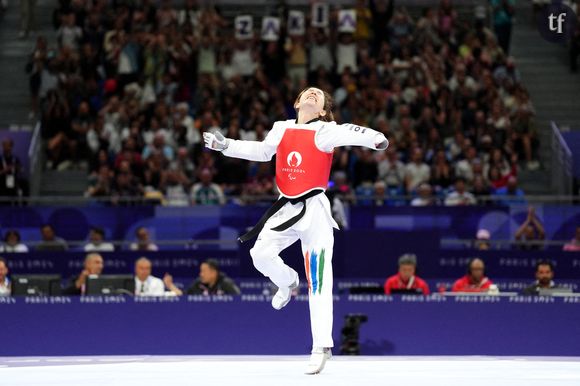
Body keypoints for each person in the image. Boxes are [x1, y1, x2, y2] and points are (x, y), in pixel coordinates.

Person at [203, 86, 388, 374]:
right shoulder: (281, 128)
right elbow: (263, 152)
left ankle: (321, 346)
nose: (313, 94)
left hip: (314, 212)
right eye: (308, 92)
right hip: (285, 206)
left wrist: (376, 139)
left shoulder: (326, 130)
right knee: (260, 254)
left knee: (319, 279)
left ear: (324, 109)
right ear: (298, 102)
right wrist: (225, 145)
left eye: (320, 95)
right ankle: (288, 282)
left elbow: (354, 132)